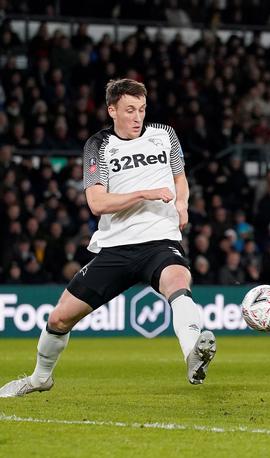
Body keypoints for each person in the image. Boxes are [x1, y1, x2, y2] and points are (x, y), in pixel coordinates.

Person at [0, 79, 217, 398]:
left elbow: (179, 179)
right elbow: (97, 203)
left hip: (160, 241)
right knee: (60, 318)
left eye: (142, 109)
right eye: (130, 110)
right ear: (112, 110)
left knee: (177, 280)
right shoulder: (98, 145)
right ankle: (39, 378)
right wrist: (143, 192)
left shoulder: (164, 135)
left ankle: (192, 356)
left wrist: (182, 204)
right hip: (115, 248)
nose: (137, 117)